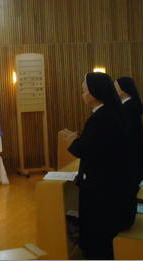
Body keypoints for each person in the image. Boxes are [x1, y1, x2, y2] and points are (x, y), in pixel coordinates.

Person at [68, 72, 134, 259]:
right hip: (115, 190)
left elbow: (87, 149)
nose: (82, 95)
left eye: (84, 91)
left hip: (103, 194)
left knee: (97, 241)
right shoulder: (114, 113)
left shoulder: (101, 119)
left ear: (95, 93)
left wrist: (72, 142)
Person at [115, 77, 143, 228]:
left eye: (116, 86)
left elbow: (127, 135)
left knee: (128, 191)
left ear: (124, 89)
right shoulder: (131, 105)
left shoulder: (128, 107)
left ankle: (126, 223)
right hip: (134, 154)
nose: (114, 89)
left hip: (130, 156)